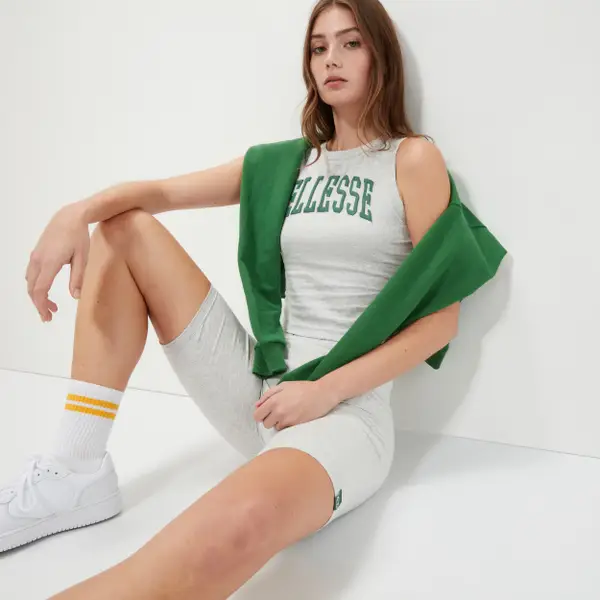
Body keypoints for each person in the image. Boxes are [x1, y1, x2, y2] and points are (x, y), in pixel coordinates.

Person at [2, 0, 461, 597]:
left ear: (381, 57)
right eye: (318, 47)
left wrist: (325, 390)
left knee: (235, 527)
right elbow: (160, 192)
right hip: (263, 393)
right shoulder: (287, 163)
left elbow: (441, 321)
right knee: (125, 228)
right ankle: (75, 468)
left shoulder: (412, 159)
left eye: (351, 43)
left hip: (343, 415)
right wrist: (76, 212)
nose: (331, 59)